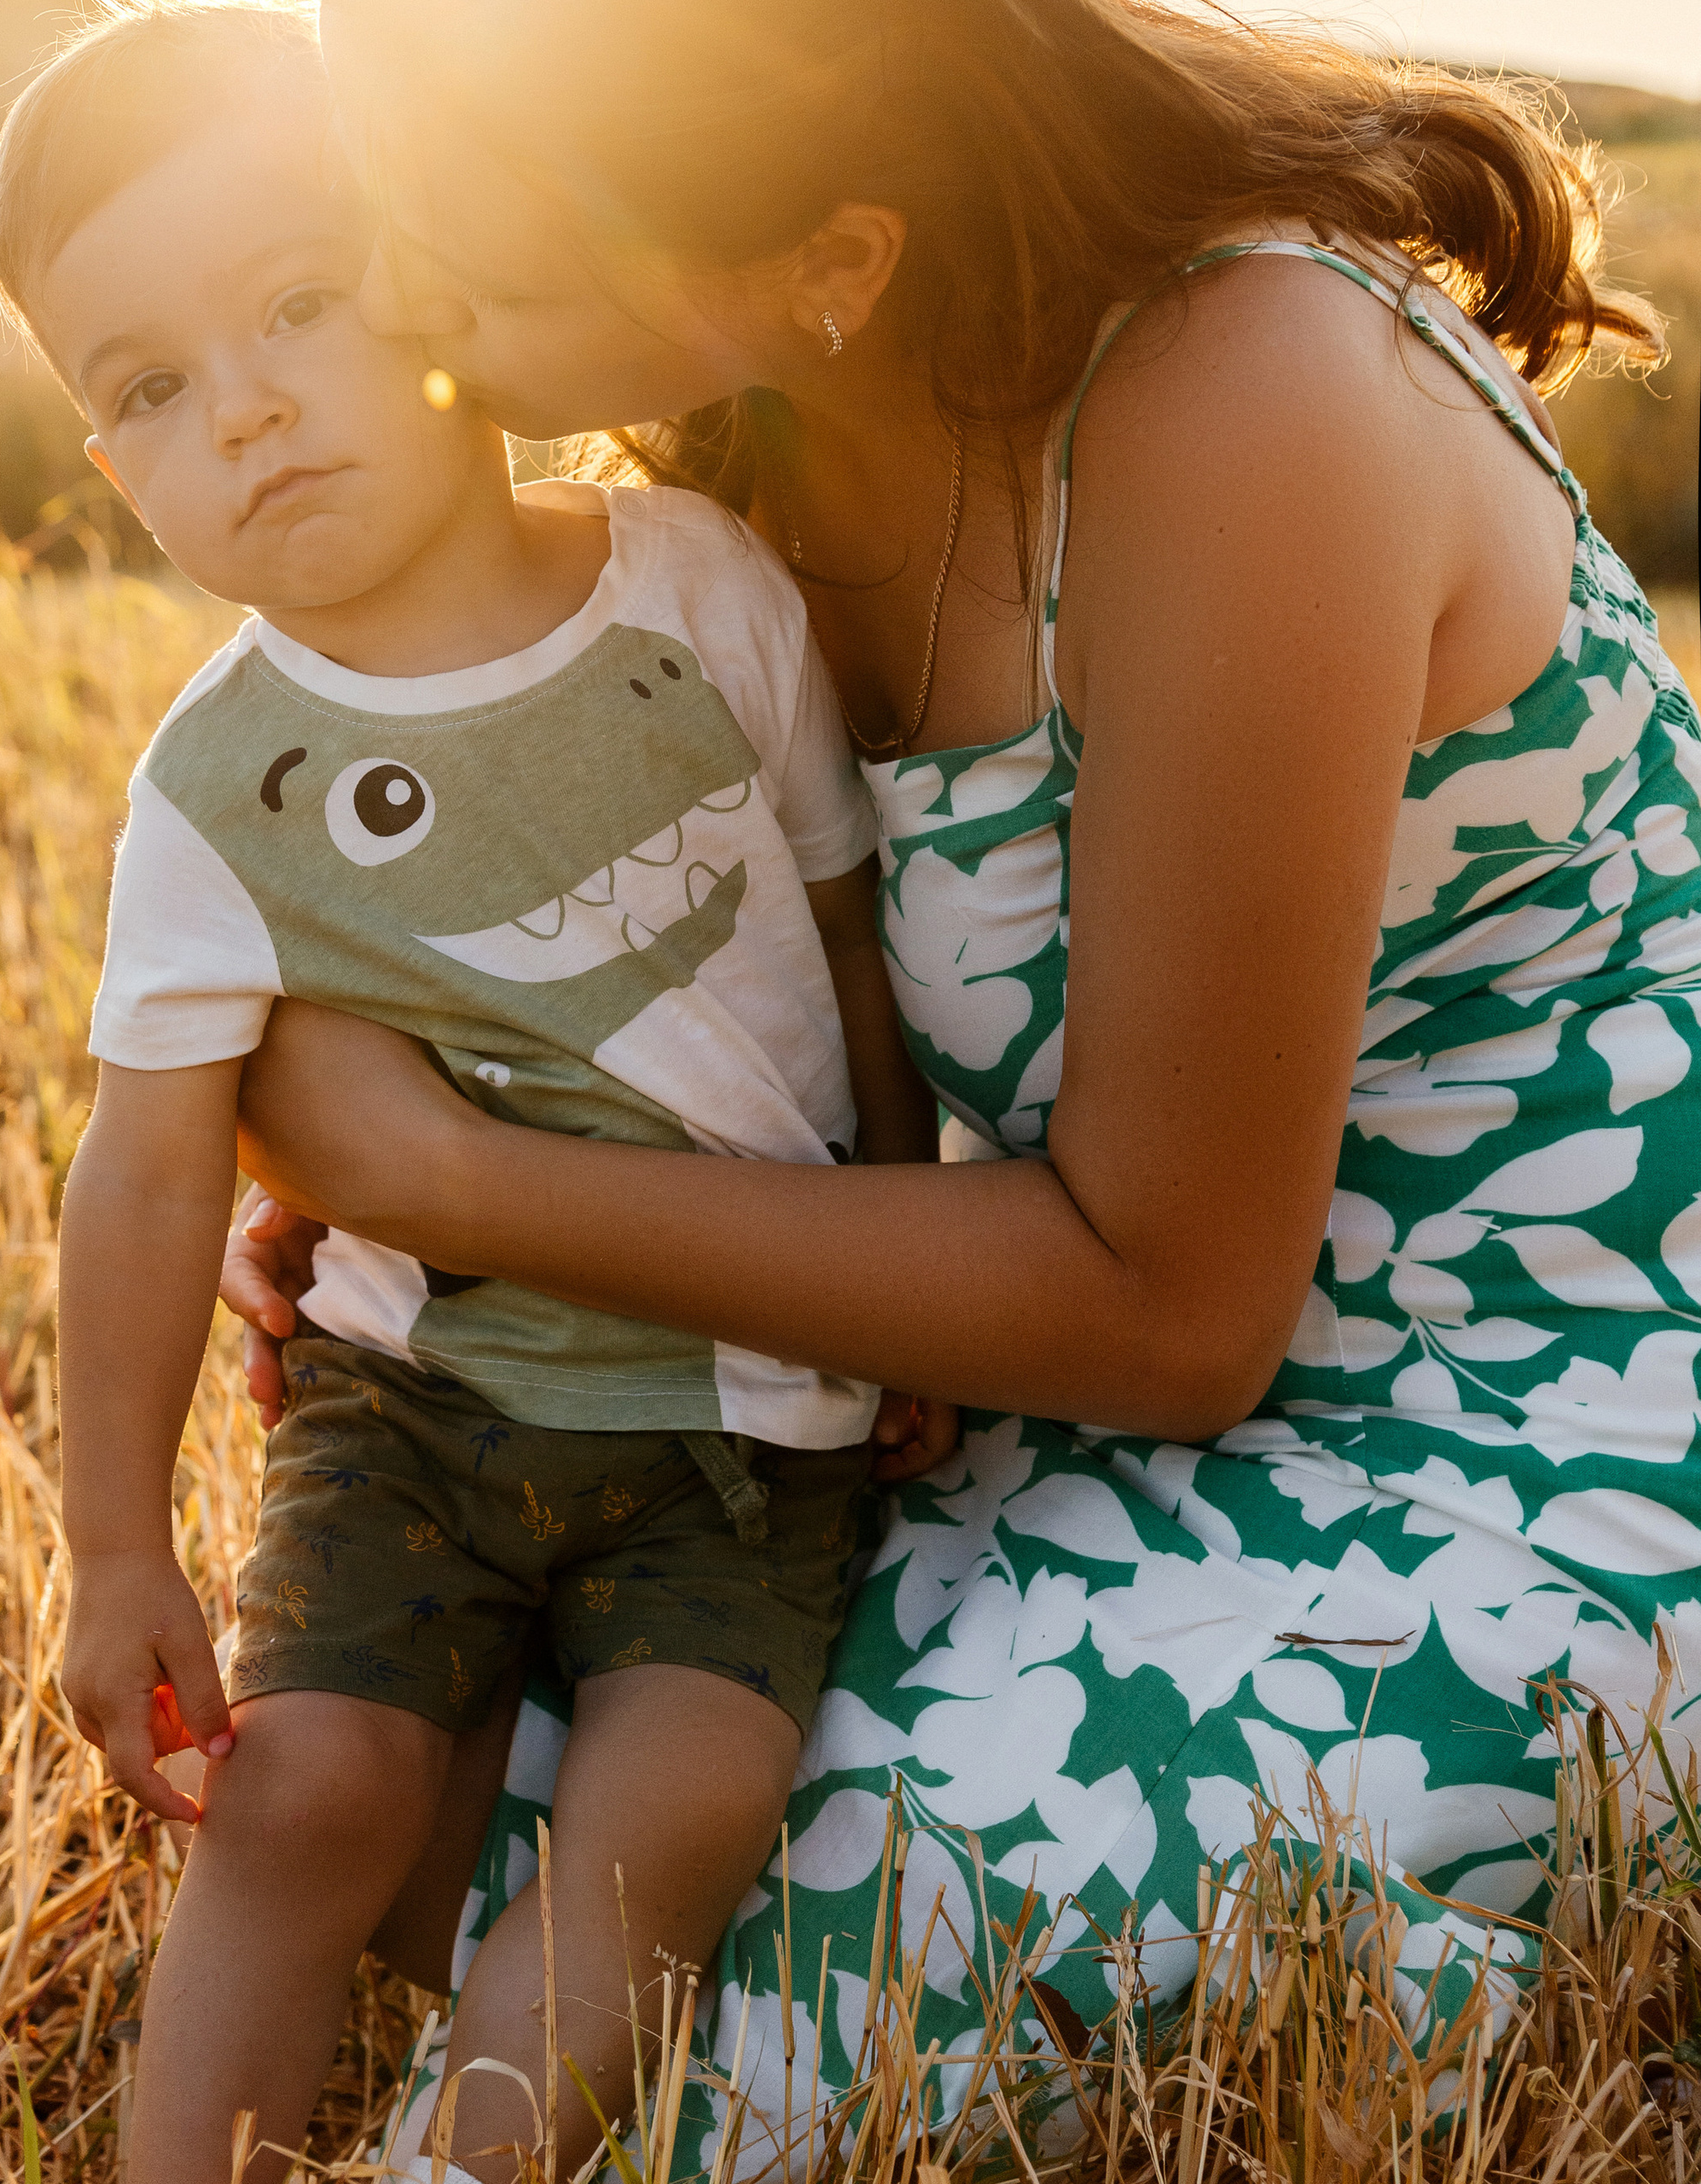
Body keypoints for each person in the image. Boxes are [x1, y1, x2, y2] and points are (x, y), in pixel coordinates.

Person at [217, 0, 1701, 2165]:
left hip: (1551, 1400)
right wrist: (442, 1191)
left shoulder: (1252, 389)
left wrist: (464, 1180)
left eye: (487, 268)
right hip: (1095, 1381)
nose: (399, 304)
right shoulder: (751, 437)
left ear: (831, 253)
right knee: (398, 1741)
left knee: (818, 1942)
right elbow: (779, 1003)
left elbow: (1176, 1311)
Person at [0, 7, 954, 2179]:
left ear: (429, 273)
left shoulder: (695, 585)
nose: (244, 406)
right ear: (111, 472)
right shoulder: (212, 785)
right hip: (414, 1399)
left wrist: (903, 1261)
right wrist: (111, 1544)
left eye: (295, 302)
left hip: (739, 1411)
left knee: (680, 1809)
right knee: (306, 1787)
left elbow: (843, 935)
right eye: (150, 386)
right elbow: (146, 1172)